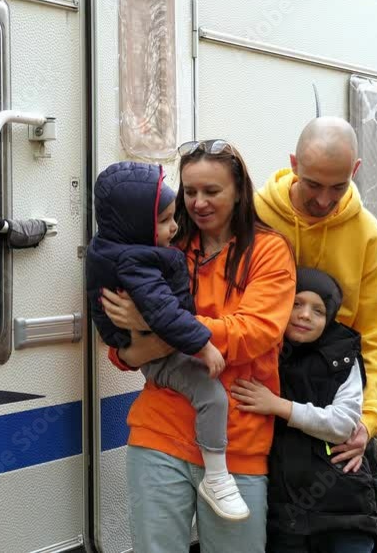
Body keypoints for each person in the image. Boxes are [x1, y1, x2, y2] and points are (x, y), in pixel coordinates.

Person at [101, 140, 296, 552]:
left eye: (212, 191)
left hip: (237, 441)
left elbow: (254, 333)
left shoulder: (269, 251)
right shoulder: (167, 246)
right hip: (160, 431)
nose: (198, 203)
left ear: (240, 190)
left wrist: (160, 326)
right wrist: (145, 337)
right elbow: (123, 354)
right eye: (190, 192)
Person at [254, 116, 377, 552]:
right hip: (260, 409)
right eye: (313, 183)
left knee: (351, 532)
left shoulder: (368, 236)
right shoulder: (258, 216)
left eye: (337, 187)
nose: (323, 200)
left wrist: (369, 422)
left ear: (355, 171)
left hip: (332, 417)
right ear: (293, 163)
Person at [86, 161, 248, 520]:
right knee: (212, 396)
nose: (175, 226)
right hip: (158, 367)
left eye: (212, 192)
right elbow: (162, 311)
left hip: (150, 346)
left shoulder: (122, 244)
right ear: (137, 223)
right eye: (165, 220)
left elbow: (257, 331)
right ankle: (218, 477)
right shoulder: (134, 259)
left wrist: (151, 332)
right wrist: (201, 342)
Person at [231, 268, 377, 553]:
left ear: (331, 317)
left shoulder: (342, 356)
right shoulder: (265, 353)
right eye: (296, 304)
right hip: (286, 511)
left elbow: (344, 424)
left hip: (343, 507)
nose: (304, 315)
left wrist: (280, 407)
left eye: (318, 310)